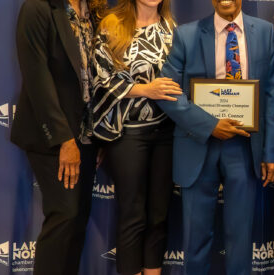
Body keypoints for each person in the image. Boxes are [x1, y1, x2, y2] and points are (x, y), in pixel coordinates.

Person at [156, 0, 274, 274]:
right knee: (195, 238)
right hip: (198, 145)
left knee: (241, 237)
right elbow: (168, 92)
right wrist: (209, 125)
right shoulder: (186, 35)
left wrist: (271, 152)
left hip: (246, 148)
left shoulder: (265, 32)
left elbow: (272, 95)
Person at [11, 0, 105, 273]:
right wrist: (64, 140)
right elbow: (37, 77)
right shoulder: (38, 7)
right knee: (65, 216)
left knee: (77, 222)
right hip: (53, 137)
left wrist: (99, 136)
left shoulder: (93, 13)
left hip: (87, 136)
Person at [89, 0, 180, 274]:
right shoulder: (112, 26)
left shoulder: (172, 29)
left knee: (159, 216)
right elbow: (100, 78)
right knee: (133, 215)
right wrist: (145, 90)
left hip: (166, 134)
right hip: (127, 135)